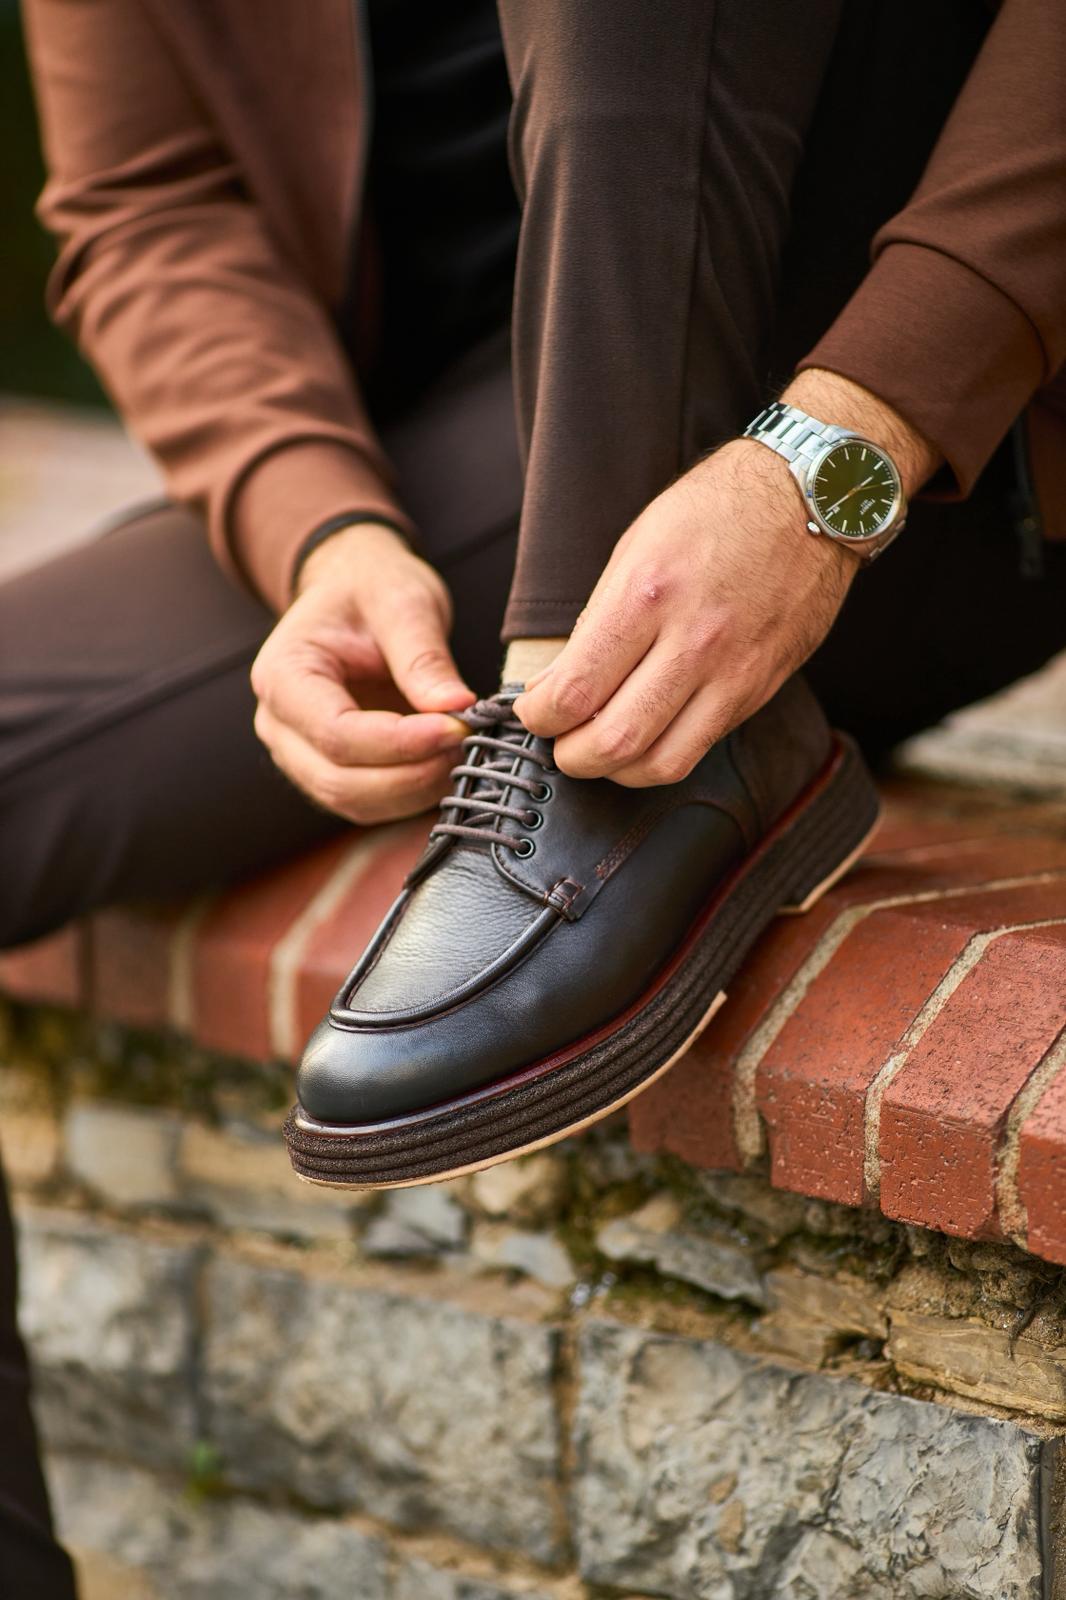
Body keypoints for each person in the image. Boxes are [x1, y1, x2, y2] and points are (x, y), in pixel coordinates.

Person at [3, 0, 1064, 1585]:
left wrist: (832, 453)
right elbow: (146, 199)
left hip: (930, 414)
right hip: (456, 440)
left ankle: (621, 743)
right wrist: (317, 528)